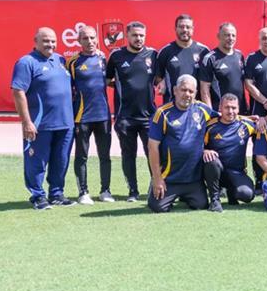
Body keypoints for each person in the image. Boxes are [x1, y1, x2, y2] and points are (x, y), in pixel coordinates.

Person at [13, 27, 76, 210]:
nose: (50, 44)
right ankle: (38, 196)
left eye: (53, 41)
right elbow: (18, 92)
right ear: (36, 41)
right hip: (40, 125)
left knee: (61, 161)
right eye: (46, 41)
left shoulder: (60, 60)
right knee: (36, 162)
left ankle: (56, 194)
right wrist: (27, 122)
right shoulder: (26, 62)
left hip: (65, 123)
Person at [147, 75, 218, 213]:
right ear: (175, 90)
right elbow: (152, 147)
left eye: (191, 91)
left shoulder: (202, 109)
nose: (187, 94)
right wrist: (157, 178)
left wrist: (254, 119)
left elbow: (226, 118)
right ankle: (156, 185)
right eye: (183, 90)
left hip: (193, 180)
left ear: (195, 93)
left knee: (201, 205)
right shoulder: (162, 113)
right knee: (158, 207)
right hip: (170, 178)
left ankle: (187, 195)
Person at [106, 21, 158, 202]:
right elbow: (107, 80)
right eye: (135, 35)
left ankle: (155, 188)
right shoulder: (116, 56)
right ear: (127, 36)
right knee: (128, 155)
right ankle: (133, 191)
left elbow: (159, 79)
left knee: (153, 153)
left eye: (142, 35)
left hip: (149, 117)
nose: (138, 38)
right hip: (125, 117)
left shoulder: (153, 55)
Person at [68, 26, 112, 204]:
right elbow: (66, 89)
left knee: (105, 156)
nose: (90, 41)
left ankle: (105, 191)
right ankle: (83, 192)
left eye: (93, 38)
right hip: (82, 118)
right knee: (81, 156)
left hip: (104, 117)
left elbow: (111, 81)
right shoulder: (73, 63)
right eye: (85, 38)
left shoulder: (103, 58)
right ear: (79, 41)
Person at [201, 94, 257, 209]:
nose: (230, 111)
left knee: (247, 195)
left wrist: (262, 120)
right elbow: (195, 145)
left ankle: (232, 192)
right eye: (227, 107)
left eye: (234, 108)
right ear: (220, 108)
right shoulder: (209, 126)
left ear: (238, 109)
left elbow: (264, 128)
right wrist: (205, 151)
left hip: (237, 172)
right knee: (212, 161)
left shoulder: (247, 124)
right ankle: (215, 199)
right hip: (215, 171)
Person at [155, 14, 210, 103]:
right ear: (175, 29)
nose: (184, 30)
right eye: (181, 27)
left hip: (197, 105)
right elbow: (158, 77)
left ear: (192, 29)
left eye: (188, 27)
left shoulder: (204, 51)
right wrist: (162, 82)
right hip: (172, 105)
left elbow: (209, 81)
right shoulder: (165, 51)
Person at [198, 23, 246, 112]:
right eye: (227, 35)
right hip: (221, 112)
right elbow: (204, 90)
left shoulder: (240, 55)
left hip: (240, 110)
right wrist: (210, 113)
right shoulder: (210, 58)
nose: (231, 38)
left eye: (233, 35)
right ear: (218, 36)